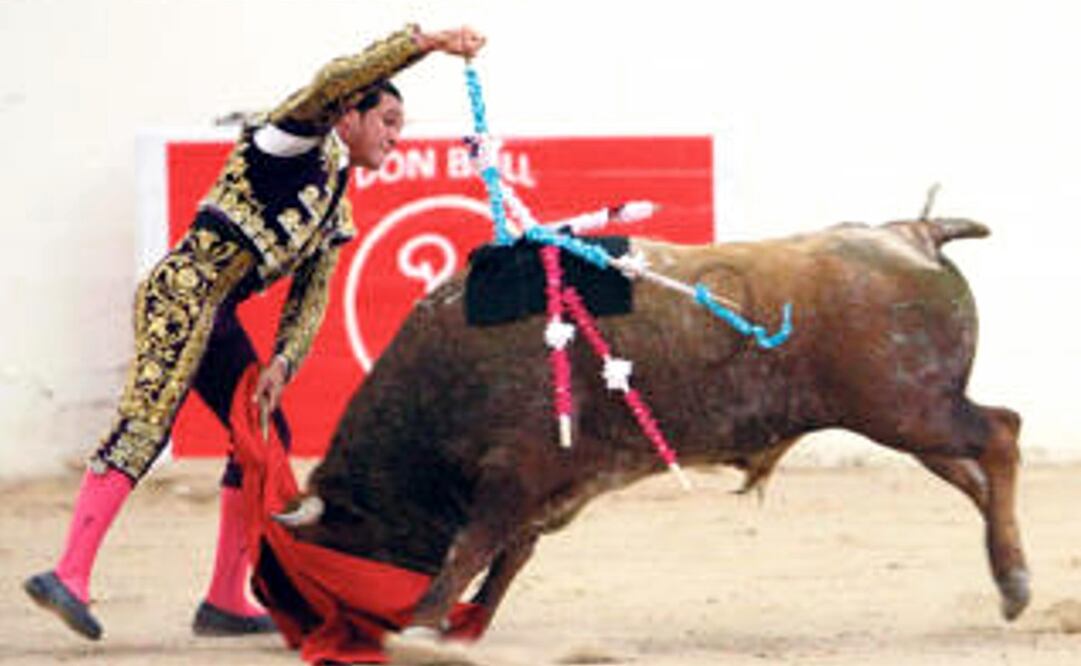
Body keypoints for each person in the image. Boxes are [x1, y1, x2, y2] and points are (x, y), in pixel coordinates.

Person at [24, 22, 486, 641]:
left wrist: (282, 364)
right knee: (146, 425)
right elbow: (332, 79)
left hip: (217, 313)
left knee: (265, 433)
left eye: (401, 128)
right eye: (389, 122)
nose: (396, 139)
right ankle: (69, 575)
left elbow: (310, 295)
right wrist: (424, 43)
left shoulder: (336, 204)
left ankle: (224, 602)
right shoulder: (288, 140)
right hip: (181, 294)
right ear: (350, 114)